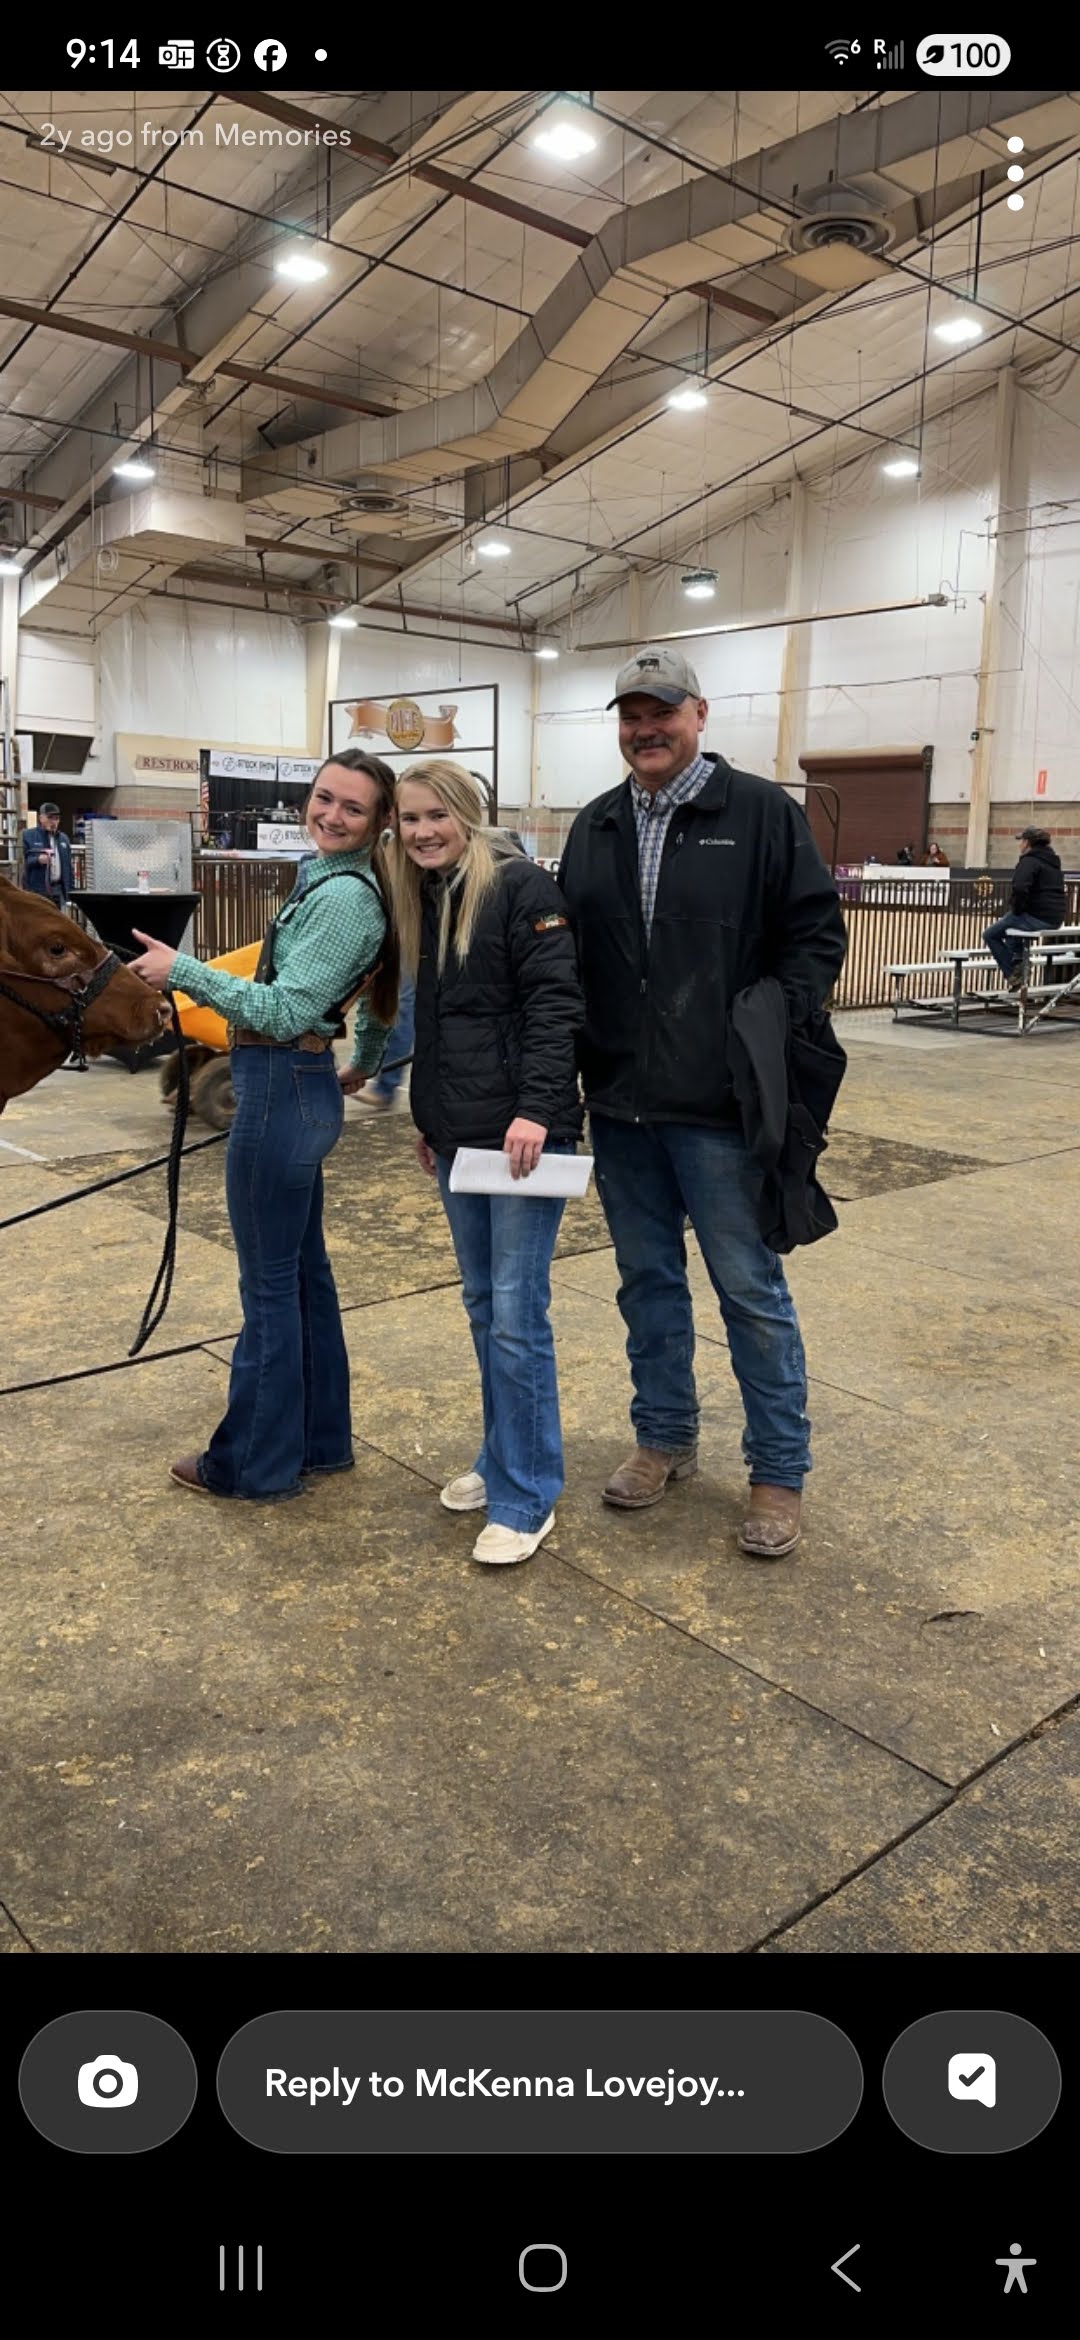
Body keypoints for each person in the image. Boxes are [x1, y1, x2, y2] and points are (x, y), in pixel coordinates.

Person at [557, 645, 847, 1560]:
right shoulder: (597, 824)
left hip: (721, 1107)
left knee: (750, 1292)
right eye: (632, 716)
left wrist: (761, 1032)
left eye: (663, 713)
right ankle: (664, 1438)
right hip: (621, 1105)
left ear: (699, 714)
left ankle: (778, 1472)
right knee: (646, 1282)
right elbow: (566, 958)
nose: (646, 730)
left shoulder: (760, 813)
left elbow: (815, 937)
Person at [128, 750, 399, 1501]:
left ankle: (251, 1464)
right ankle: (316, 1442)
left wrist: (184, 972)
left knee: (270, 1289)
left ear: (379, 821)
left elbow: (283, 1011)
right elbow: (376, 993)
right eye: (324, 798)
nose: (331, 815)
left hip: (279, 1087)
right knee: (302, 1277)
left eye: (352, 807)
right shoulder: (342, 883)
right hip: (294, 1086)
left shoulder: (344, 898)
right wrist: (365, 1058)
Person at [391, 758, 583, 1565]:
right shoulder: (430, 896)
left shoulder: (520, 889)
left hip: (520, 1139)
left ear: (467, 814)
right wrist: (430, 1120)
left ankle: (528, 1492)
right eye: (409, 819)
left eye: (436, 815)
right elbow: (441, 1028)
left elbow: (555, 1006)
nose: (422, 831)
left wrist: (536, 1108)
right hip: (459, 1137)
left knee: (515, 1314)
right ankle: (500, 1456)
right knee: (483, 1305)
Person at [983, 825, 1066, 989]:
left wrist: (1017, 909)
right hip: (1055, 918)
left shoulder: (1029, 861)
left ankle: (1014, 973)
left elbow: (1020, 888)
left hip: (1036, 916)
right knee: (1011, 928)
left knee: (990, 934)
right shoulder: (1053, 862)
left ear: (1027, 843)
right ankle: (1019, 961)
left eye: (1021, 841)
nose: (1019, 844)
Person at [21, 803, 73, 907]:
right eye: (50, 818)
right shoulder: (28, 835)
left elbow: (68, 867)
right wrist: (38, 860)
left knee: (58, 916)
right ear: (41, 818)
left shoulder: (63, 839)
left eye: (57, 818)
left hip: (59, 890)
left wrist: (70, 892)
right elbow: (23, 862)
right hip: (38, 891)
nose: (54, 822)